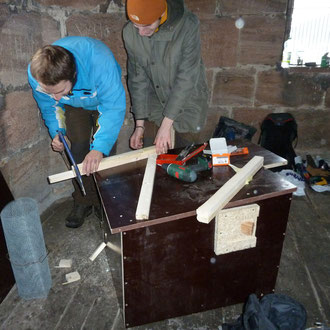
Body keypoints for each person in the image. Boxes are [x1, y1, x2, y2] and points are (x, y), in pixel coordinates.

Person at [28, 36, 126, 228]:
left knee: (103, 154)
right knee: (78, 148)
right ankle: (83, 201)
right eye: (50, 91)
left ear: (72, 75)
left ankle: (103, 202)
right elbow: (50, 106)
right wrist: (59, 132)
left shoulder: (100, 62)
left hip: (103, 102)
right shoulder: (37, 75)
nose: (55, 96)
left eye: (59, 90)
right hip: (72, 103)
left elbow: (113, 108)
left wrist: (99, 148)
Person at [123, 0, 209, 155]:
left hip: (188, 101)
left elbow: (186, 77)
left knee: (184, 158)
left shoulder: (187, 25)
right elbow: (137, 79)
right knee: (151, 157)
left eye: (147, 26)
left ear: (161, 15)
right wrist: (139, 125)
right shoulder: (130, 32)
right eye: (137, 26)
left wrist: (166, 125)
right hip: (155, 102)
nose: (141, 33)